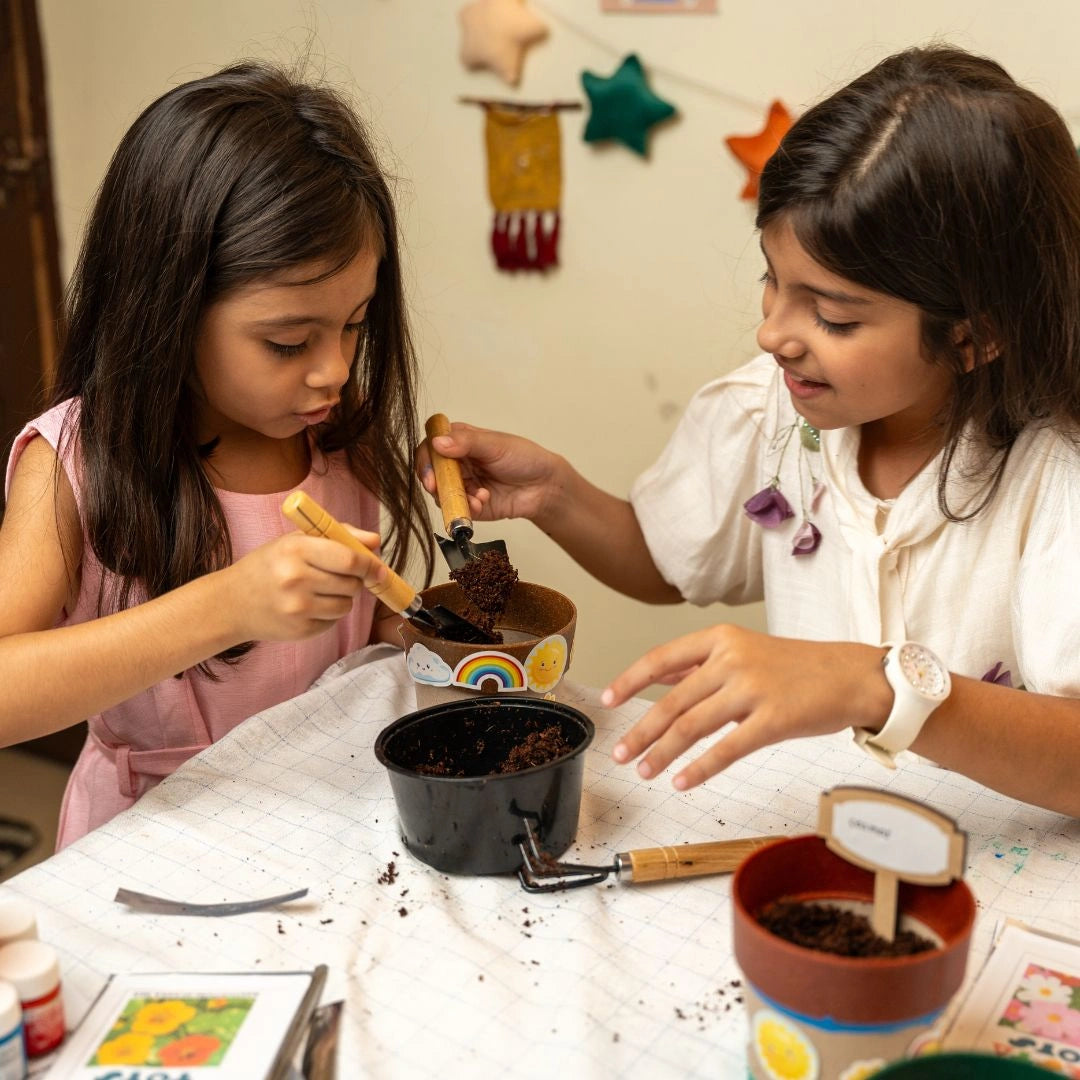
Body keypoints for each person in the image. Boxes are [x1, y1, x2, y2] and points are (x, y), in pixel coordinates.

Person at [419, 45, 1080, 818]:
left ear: (975, 336)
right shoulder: (774, 411)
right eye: (772, 278)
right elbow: (667, 561)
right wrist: (557, 494)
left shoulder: (1056, 475)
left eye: (832, 315)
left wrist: (870, 682)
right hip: (814, 833)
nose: (773, 333)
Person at [0, 62, 435, 846]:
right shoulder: (75, 462)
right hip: (147, 847)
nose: (335, 368)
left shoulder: (336, 434)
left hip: (326, 821)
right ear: (166, 306)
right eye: (288, 341)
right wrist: (223, 608)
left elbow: (345, 655)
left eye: (356, 324)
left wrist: (434, 636)